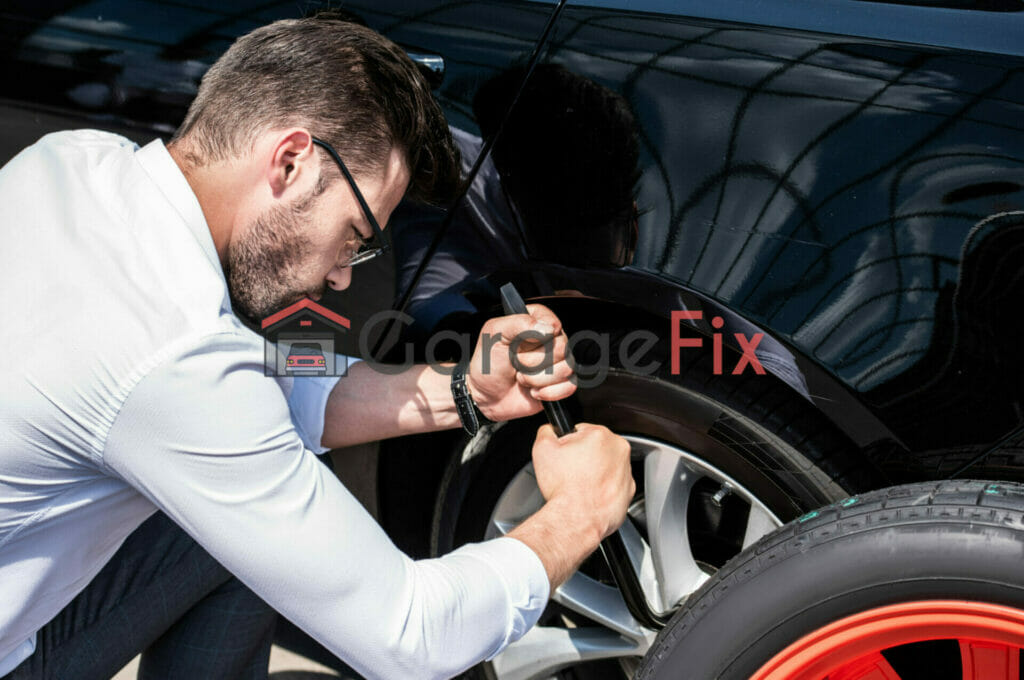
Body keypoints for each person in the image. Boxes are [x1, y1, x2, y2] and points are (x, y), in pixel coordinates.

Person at [0, 17, 634, 680]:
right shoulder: (172, 355)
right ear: (291, 161)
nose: (342, 276)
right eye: (355, 235)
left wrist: (464, 391)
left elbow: (257, 404)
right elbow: (412, 635)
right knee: (268, 531)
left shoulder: (74, 162)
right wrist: (575, 514)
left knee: (265, 526)